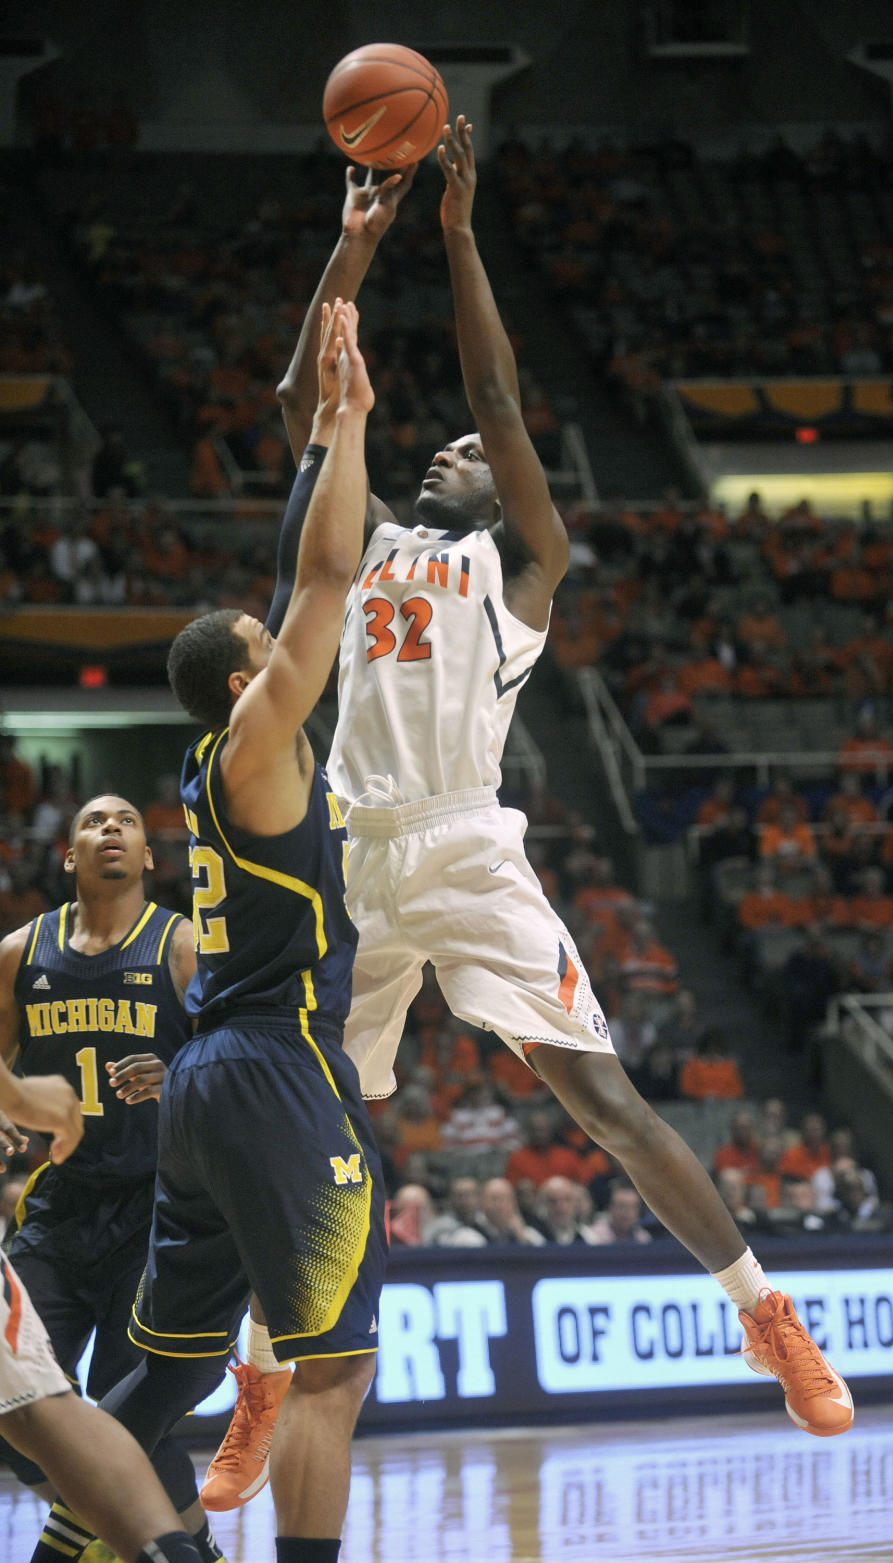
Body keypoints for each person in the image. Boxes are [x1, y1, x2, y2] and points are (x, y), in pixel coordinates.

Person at [214, 119, 852, 1486]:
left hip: (462, 844)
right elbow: (303, 397)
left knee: (607, 1099)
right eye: (438, 444)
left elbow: (500, 398)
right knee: (307, 1120)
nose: (455, 447)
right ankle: (262, 1377)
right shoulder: (369, 534)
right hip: (347, 852)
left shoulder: (521, 574)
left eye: (471, 451)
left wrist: (454, 234)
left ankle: (768, 1315)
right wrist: (357, 240)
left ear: (506, 490)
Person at [33, 301, 385, 1563]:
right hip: (280, 1071)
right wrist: (344, 425)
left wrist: (311, 456)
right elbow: (328, 582)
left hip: (201, 1089)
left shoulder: (218, 761)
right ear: (251, 682)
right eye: (268, 645)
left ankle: (61, 1555)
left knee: (161, 1384)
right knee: (331, 1372)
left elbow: (297, 582)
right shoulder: (253, 745)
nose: (287, 636)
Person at [0, 796, 222, 1563]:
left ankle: (139, 1541)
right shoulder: (19, 952)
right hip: (58, 1210)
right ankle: (183, 1539)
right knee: (18, 1410)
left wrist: (181, 1071)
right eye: (94, 822)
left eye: (126, 821)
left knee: (132, 1412)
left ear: (150, 856)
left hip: (155, 1211)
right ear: (69, 856)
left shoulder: (182, 945)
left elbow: (235, 1072)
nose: (111, 830)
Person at [0, 1057, 204, 1563]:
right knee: (35, 1410)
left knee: (119, 1410)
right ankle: (126, 1542)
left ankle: (180, 1549)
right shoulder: (21, 977)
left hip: (159, 1203)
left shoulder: (185, 977)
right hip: (62, 1206)